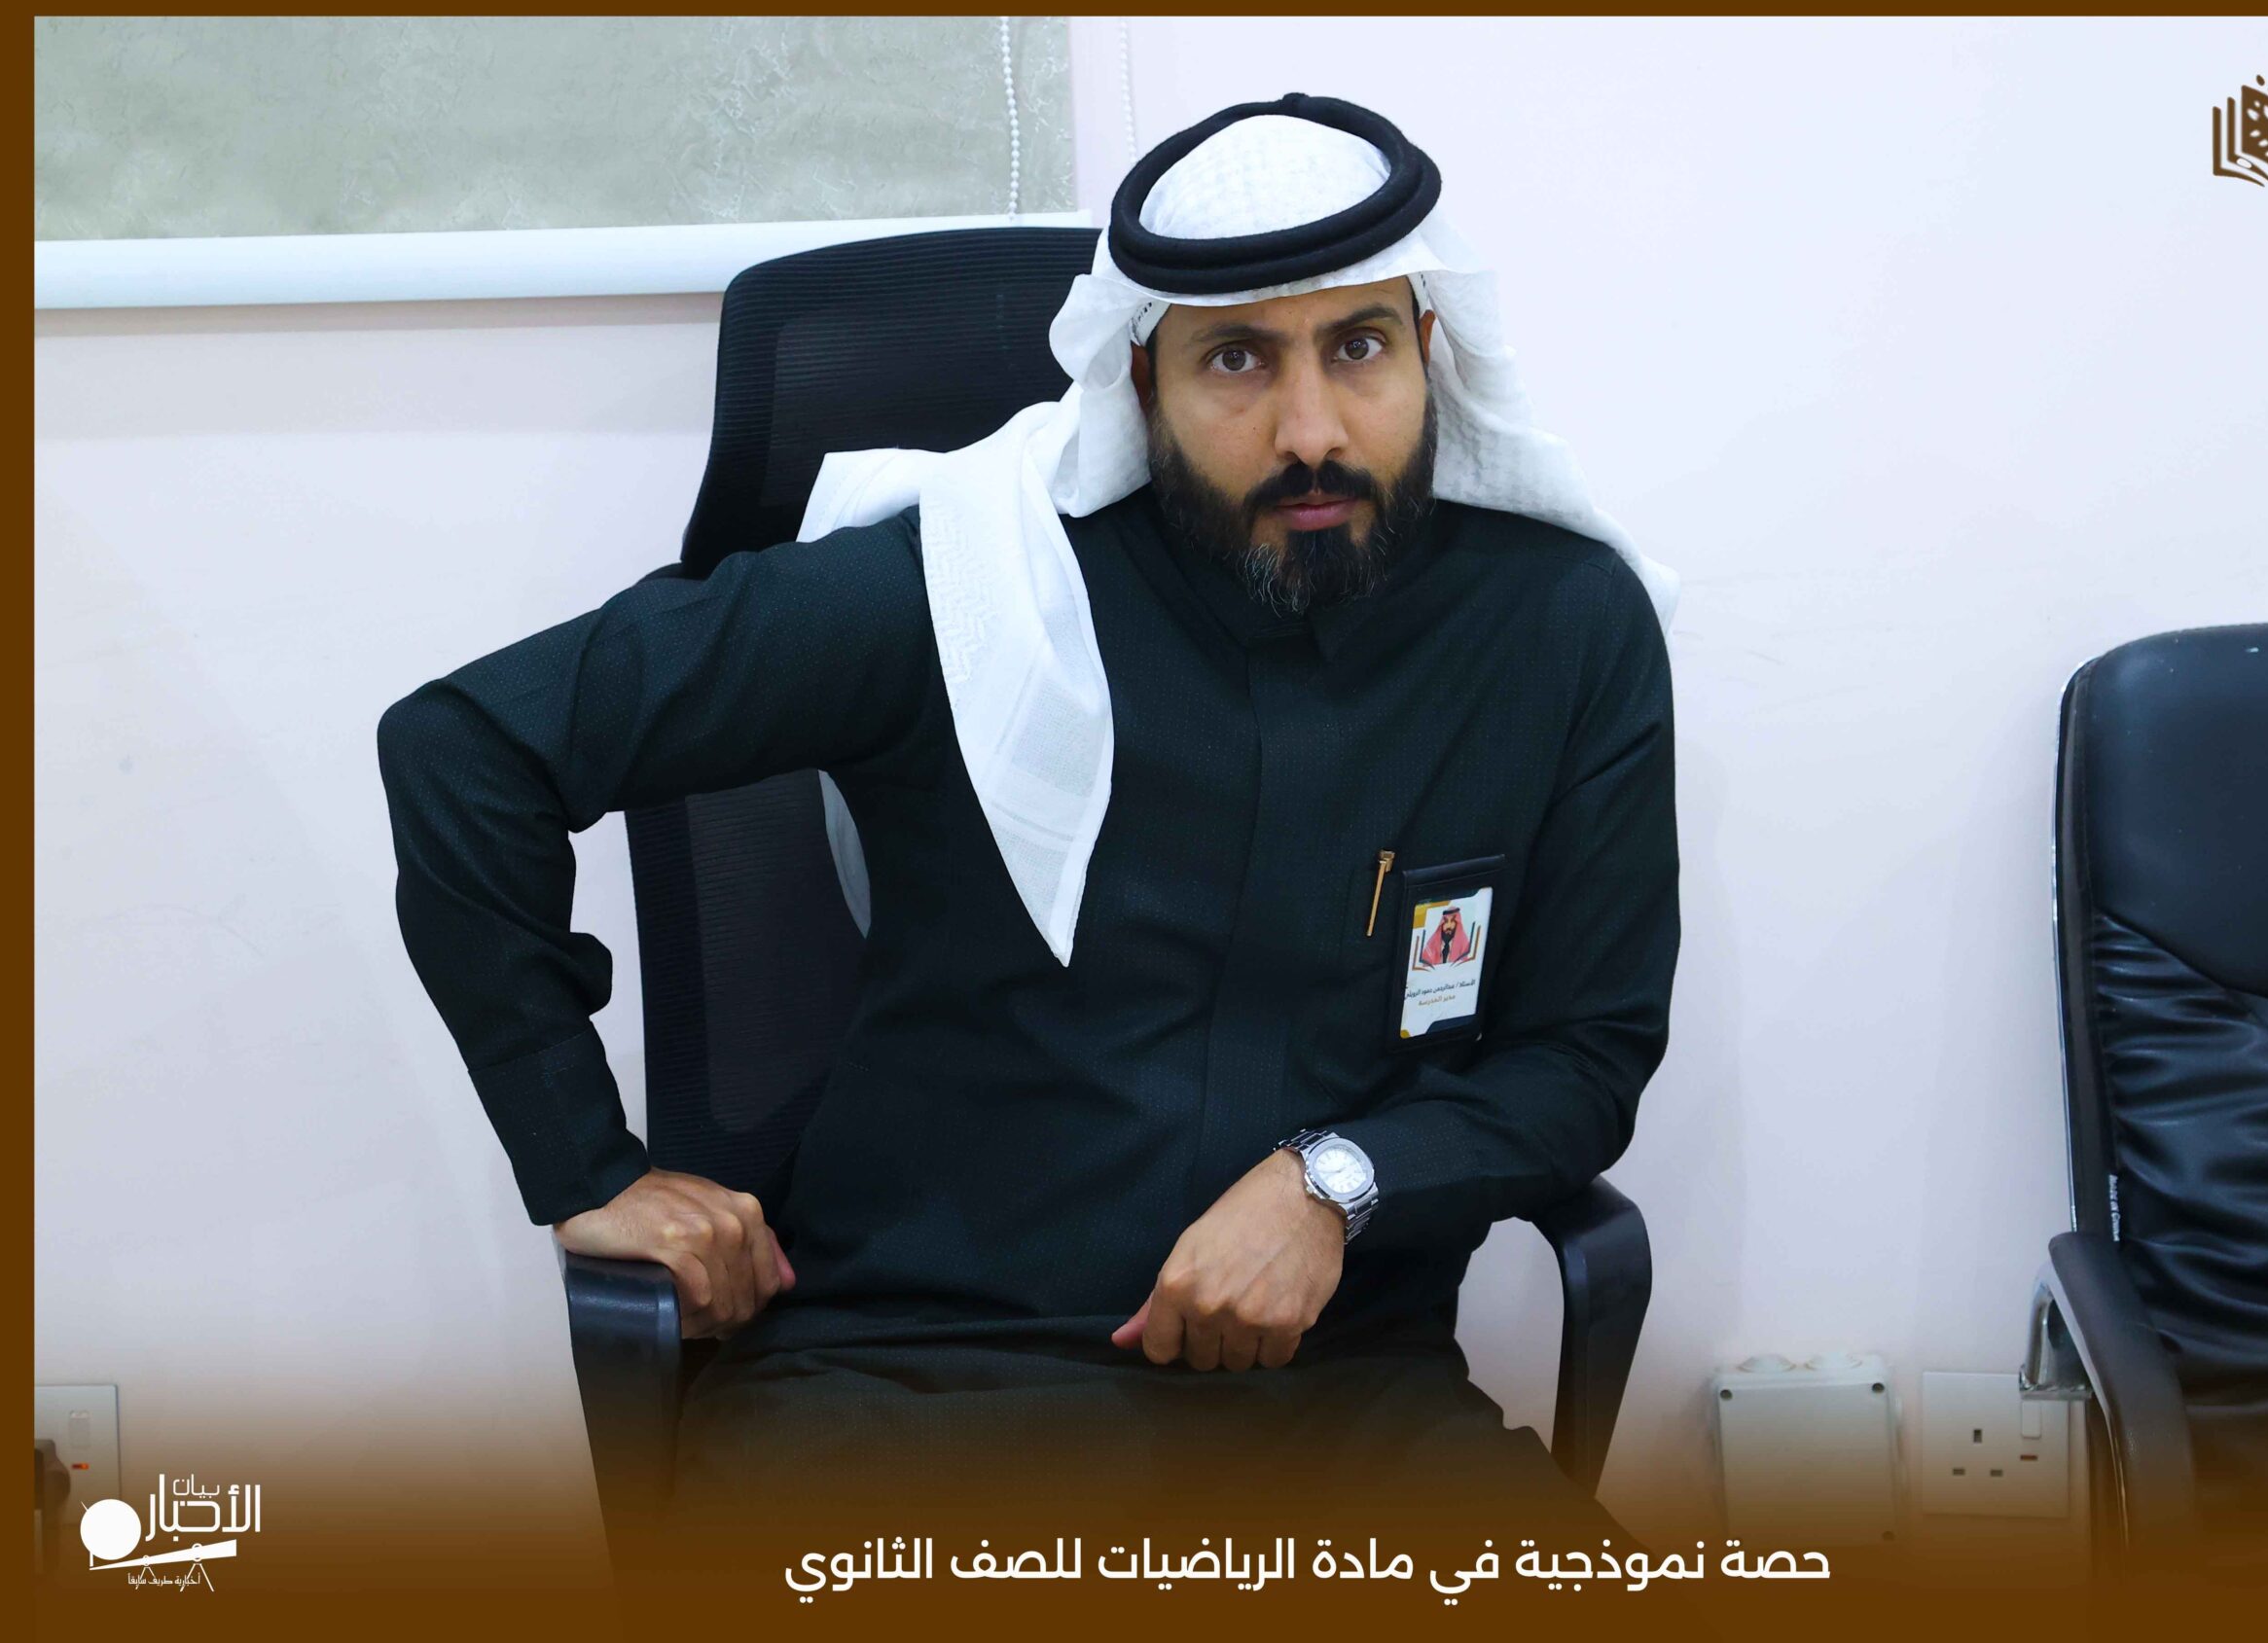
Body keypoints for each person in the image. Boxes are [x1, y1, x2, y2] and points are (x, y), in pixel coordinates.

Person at [376, 92, 1680, 1577]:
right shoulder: (975, 590)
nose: (1312, 431)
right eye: (1237, 358)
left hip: (1344, 1407)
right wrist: (588, 1170)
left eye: (1359, 347)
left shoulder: (1558, 628)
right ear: (1142, 375)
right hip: (911, 1397)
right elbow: (468, 745)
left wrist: (1336, 1182)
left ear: (1431, 346)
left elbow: (1583, 1056)